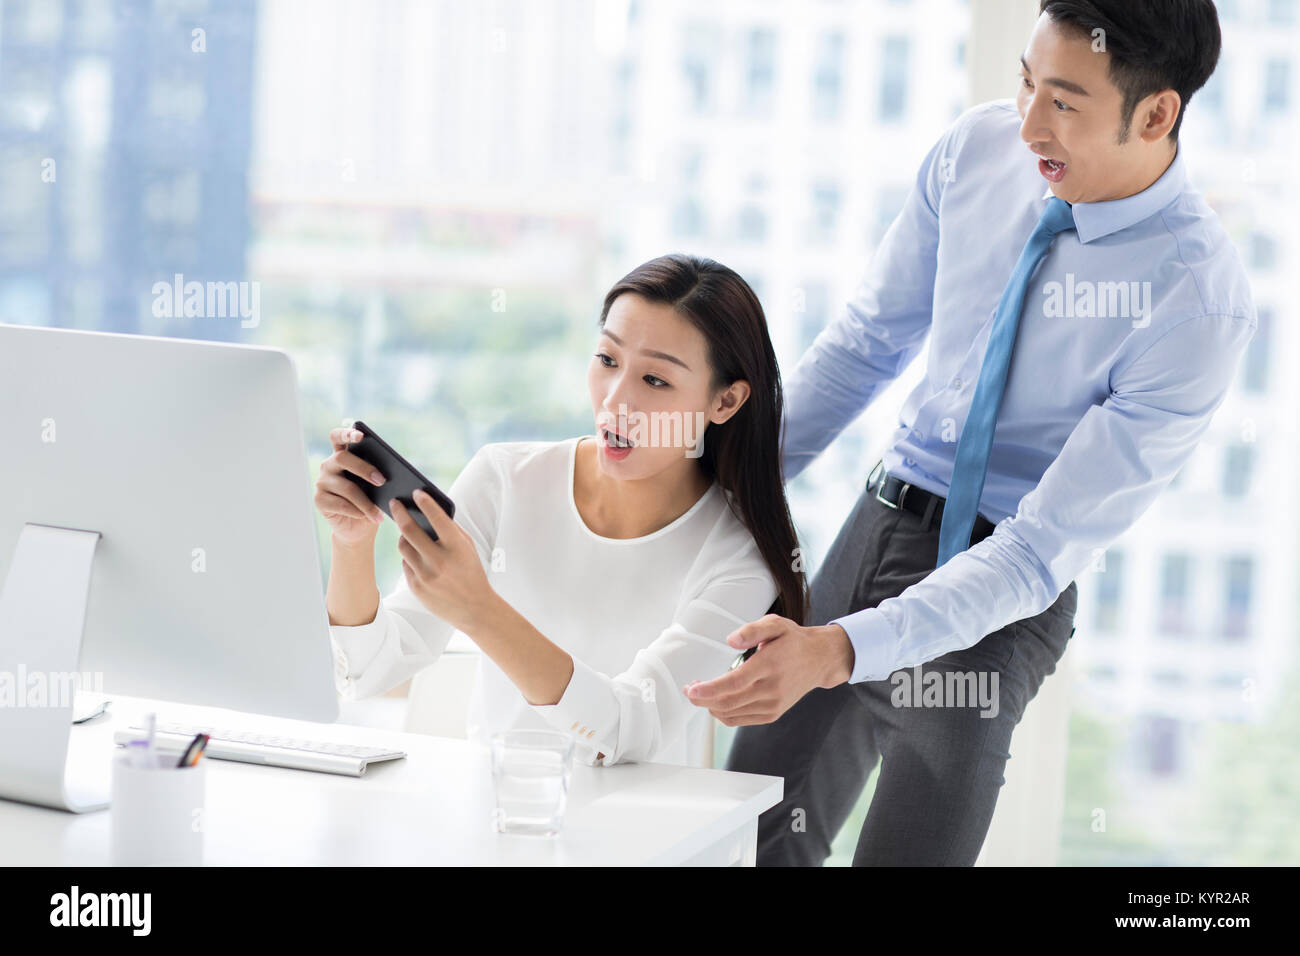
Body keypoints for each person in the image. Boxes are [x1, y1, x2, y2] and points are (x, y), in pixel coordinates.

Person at [685, 0, 1256, 864]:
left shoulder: (1195, 301)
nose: (1029, 124)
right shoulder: (975, 153)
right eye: (1025, 82)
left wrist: (840, 649)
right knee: (748, 837)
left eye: (1063, 101)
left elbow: (1034, 555)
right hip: (875, 530)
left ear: (1156, 113)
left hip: (1001, 597)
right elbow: (862, 350)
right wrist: (707, 490)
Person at [315, 253, 807, 767]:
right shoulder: (505, 480)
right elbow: (366, 672)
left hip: (646, 838)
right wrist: (352, 543)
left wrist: (479, 611)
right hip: (496, 821)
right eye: (608, 360)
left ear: (725, 402)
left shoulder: (738, 552)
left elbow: (630, 729)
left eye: (656, 380)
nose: (617, 401)